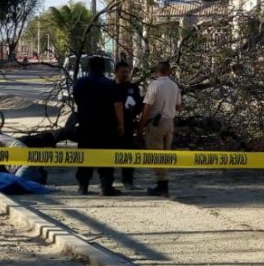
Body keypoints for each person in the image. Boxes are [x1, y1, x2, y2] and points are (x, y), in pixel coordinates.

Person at [71, 55, 124, 196]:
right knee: (106, 156)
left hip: (85, 126)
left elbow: (76, 100)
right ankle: (106, 186)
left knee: (85, 156)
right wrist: (121, 124)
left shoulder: (80, 83)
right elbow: (118, 105)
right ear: (104, 68)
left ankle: (83, 186)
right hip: (106, 127)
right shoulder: (110, 84)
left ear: (89, 67)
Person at [138, 60, 184, 197]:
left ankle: (162, 185)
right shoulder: (174, 86)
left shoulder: (154, 85)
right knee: (165, 154)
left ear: (157, 72)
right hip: (169, 123)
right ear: (169, 72)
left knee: (156, 154)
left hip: (156, 123)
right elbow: (179, 106)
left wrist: (141, 126)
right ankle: (163, 184)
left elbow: (147, 108)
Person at [113, 61, 144, 190]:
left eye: (127, 72)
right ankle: (107, 180)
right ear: (116, 72)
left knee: (127, 153)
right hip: (112, 125)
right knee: (110, 153)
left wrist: (134, 108)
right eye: (123, 72)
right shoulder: (110, 86)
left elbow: (139, 106)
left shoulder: (133, 88)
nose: (125, 75)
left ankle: (128, 180)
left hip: (128, 125)